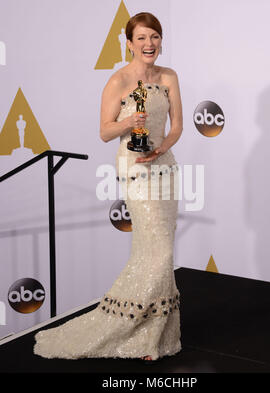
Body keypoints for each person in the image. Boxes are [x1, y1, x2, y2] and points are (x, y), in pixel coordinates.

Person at [33, 12, 183, 362]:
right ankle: (133, 332)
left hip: (164, 165)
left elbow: (176, 126)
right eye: (142, 38)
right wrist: (130, 122)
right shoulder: (118, 81)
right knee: (158, 250)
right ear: (129, 43)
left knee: (157, 250)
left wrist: (162, 147)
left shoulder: (170, 77)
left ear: (161, 41)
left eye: (155, 37)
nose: (149, 44)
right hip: (134, 167)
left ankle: (157, 335)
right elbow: (104, 131)